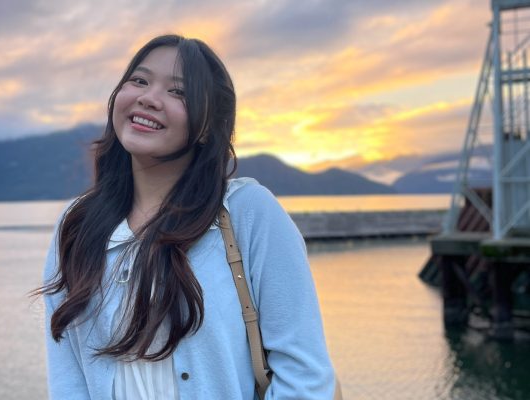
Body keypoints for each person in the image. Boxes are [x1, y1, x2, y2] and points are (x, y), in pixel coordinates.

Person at [35, 34, 337, 399]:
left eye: (178, 92)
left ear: (209, 124)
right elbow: (68, 378)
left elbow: (305, 375)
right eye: (139, 80)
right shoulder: (78, 224)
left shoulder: (247, 211)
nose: (149, 98)